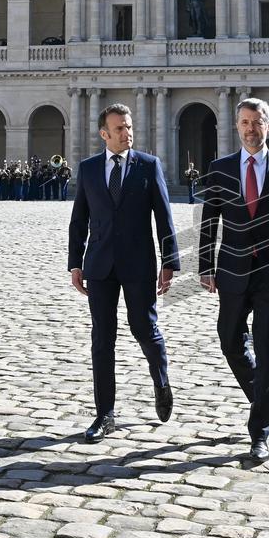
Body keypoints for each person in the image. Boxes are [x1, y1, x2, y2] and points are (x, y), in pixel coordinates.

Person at [199, 97, 269, 462]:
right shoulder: (220, 169)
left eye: (257, 121)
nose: (251, 128)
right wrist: (205, 265)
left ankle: (259, 432)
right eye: (245, 122)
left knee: (268, 352)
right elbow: (209, 220)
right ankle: (260, 395)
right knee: (229, 341)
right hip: (230, 272)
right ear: (237, 126)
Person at [68, 103, 181, 444]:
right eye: (119, 129)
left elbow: (163, 215)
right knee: (102, 339)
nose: (126, 133)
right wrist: (75, 262)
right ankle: (105, 414)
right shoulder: (88, 169)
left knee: (144, 327)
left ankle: (161, 381)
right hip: (100, 265)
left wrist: (170, 261)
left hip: (138, 263)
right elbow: (79, 220)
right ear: (104, 133)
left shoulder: (149, 166)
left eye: (129, 127)